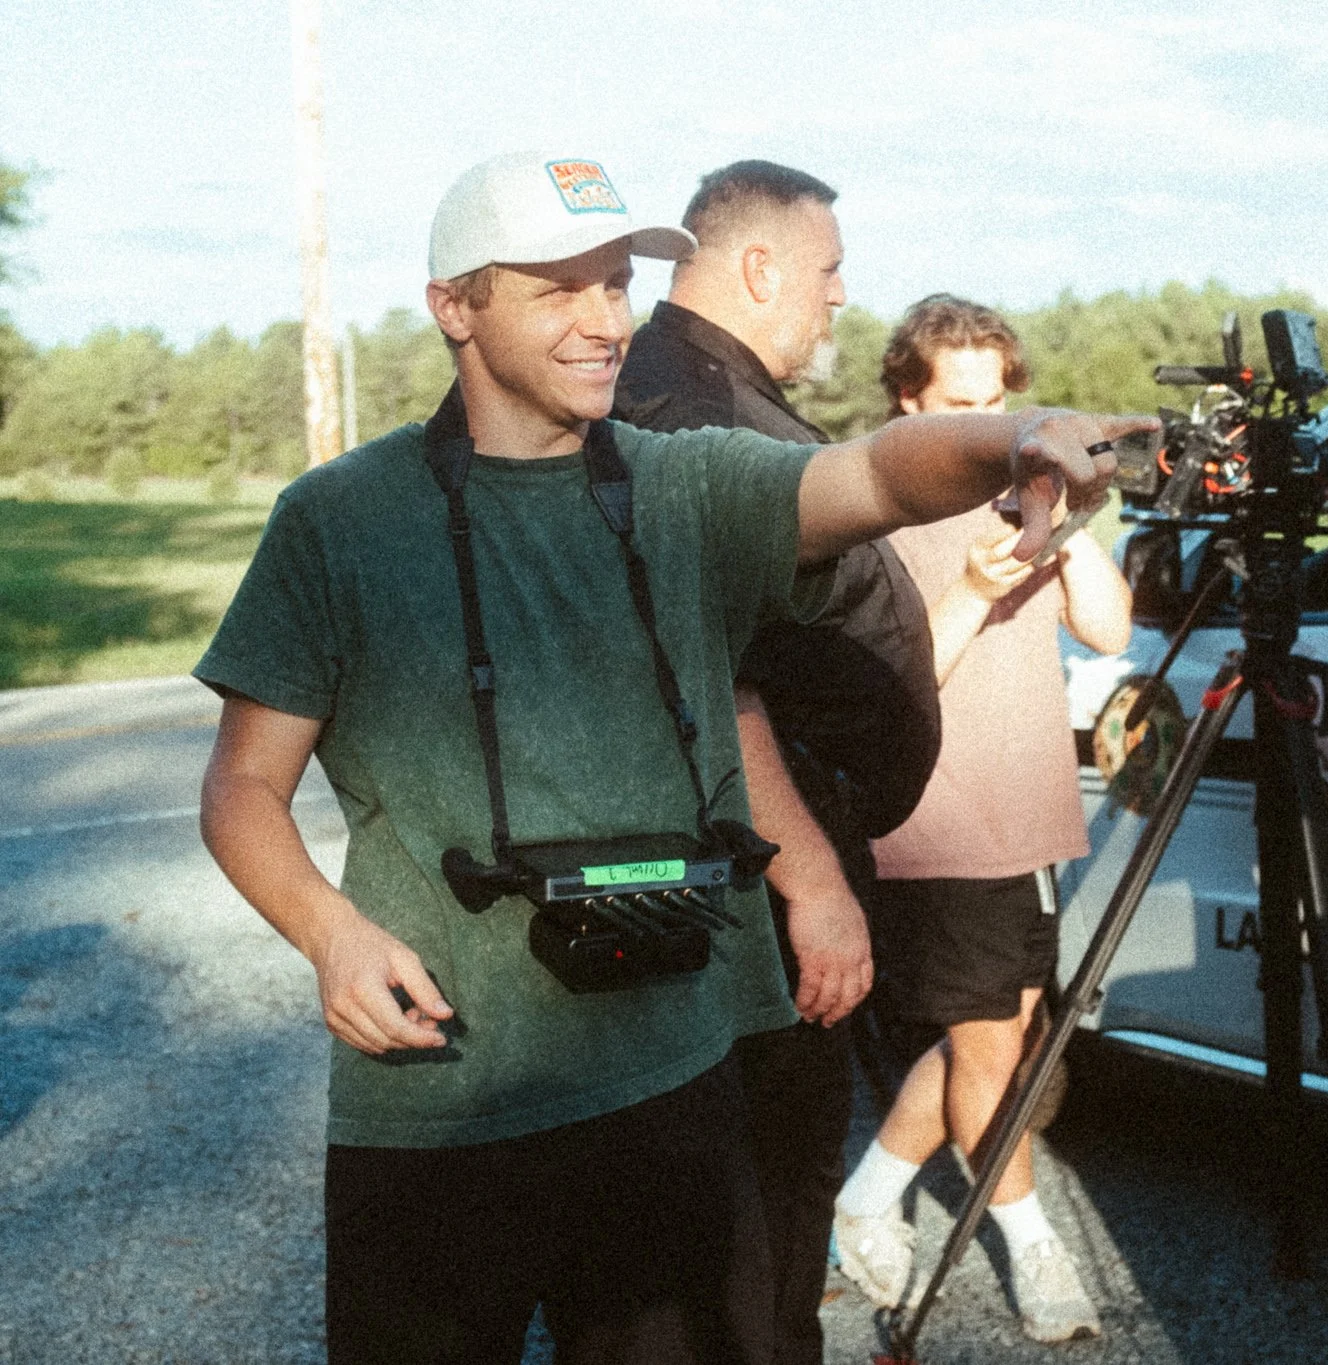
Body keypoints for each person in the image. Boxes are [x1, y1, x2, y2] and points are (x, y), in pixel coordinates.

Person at [195, 154, 1146, 1365]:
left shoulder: (683, 484)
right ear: (455, 308)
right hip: (441, 1092)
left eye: (613, 283)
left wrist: (1014, 437)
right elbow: (241, 786)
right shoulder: (340, 520)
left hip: (673, 1075)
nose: (604, 320)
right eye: (557, 291)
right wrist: (329, 933)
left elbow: (869, 476)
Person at [611, 160, 940, 1365]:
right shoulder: (684, 409)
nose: (841, 299)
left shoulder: (711, 387)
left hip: (779, 837)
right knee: (753, 1205)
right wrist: (813, 883)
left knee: (760, 1210)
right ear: (756, 268)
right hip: (752, 857)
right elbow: (713, 674)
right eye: (828, 271)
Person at [831, 296, 1132, 1345]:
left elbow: (1105, 631)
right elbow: (893, 690)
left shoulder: (1024, 492)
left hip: (1029, 819)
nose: (986, 420)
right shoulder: (883, 518)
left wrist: (1069, 520)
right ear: (908, 402)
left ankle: (867, 1195)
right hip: (941, 824)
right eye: (959, 402)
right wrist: (968, 585)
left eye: (998, 398)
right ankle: (1031, 1242)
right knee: (989, 1045)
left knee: (1000, 1036)